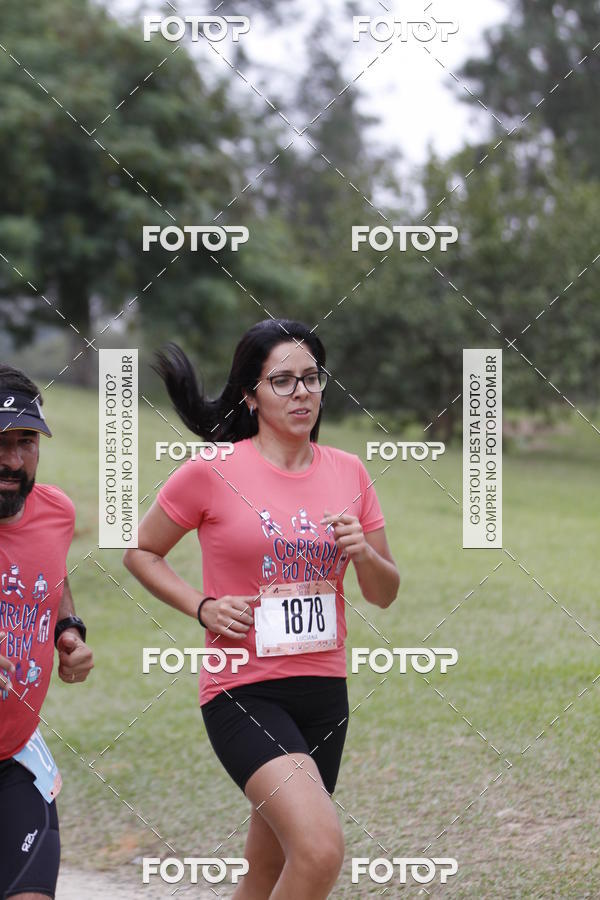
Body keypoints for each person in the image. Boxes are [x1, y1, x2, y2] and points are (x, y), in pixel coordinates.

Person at [123, 319, 400, 899]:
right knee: (319, 850)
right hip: (243, 692)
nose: (302, 393)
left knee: (267, 869)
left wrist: (364, 554)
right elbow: (141, 552)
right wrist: (201, 606)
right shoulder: (213, 470)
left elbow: (384, 591)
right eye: (283, 381)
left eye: (311, 378)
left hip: (324, 695)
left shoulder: (349, 471)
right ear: (250, 395)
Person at [0, 365, 94, 900]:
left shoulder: (55, 511)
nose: (13, 460)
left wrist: (68, 632)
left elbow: (51, 576)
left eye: (26, 442)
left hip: (14, 757)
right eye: (0, 442)